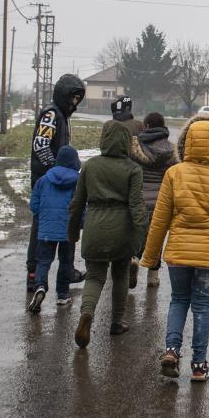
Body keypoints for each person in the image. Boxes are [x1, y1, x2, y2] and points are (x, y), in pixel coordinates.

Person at [139, 115, 209, 382]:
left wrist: (150, 256)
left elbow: (160, 219)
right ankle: (199, 365)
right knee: (202, 306)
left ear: (186, 144)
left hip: (177, 254)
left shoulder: (174, 174)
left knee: (178, 300)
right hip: (208, 258)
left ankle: (172, 350)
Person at [67, 121, 145, 348]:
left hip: (95, 226)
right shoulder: (133, 169)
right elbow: (136, 206)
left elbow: (77, 203)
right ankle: (116, 323)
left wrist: (72, 233)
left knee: (94, 276)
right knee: (120, 276)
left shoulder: (90, 166)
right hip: (122, 229)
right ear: (125, 142)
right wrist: (141, 237)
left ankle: (87, 313)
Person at [28, 73, 86, 293]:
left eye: (78, 100)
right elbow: (41, 145)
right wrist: (55, 172)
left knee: (65, 224)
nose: (74, 103)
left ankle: (66, 270)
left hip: (55, 179)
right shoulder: (51, 114)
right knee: (40, 226)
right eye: (73, 98)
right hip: (48, 182)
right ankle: (33, 273)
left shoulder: (61, 115)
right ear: (63, 94)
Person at [28, 144, 80, 313]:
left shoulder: (43, 180)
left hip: (45, 229)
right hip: (68, 230)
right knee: (66, 262)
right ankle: (62, 294)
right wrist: (80, 223)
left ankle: (40, 286)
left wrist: (42, 217)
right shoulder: (77, 181)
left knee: (43, 261)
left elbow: (34, 204)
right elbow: (80, 205)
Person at [127, 111, 176, 289]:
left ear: (146, 126)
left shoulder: (134, 147)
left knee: (137, 233)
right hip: (161, 201)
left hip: (138, 198)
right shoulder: (171, 151)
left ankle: (134, 258)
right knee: (157, 237)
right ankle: (153, 277)